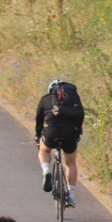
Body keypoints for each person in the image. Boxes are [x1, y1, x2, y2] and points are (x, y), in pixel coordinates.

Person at [35, 77, 85, 207]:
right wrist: (77, 134)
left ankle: (46, 170)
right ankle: (71, 196)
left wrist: (37, 136)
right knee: (70, 163)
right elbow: (80, 118)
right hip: (70, 134)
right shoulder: (75, 101)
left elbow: (39, 120)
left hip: (51, 132)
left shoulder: (46, 99)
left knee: (44, 150)